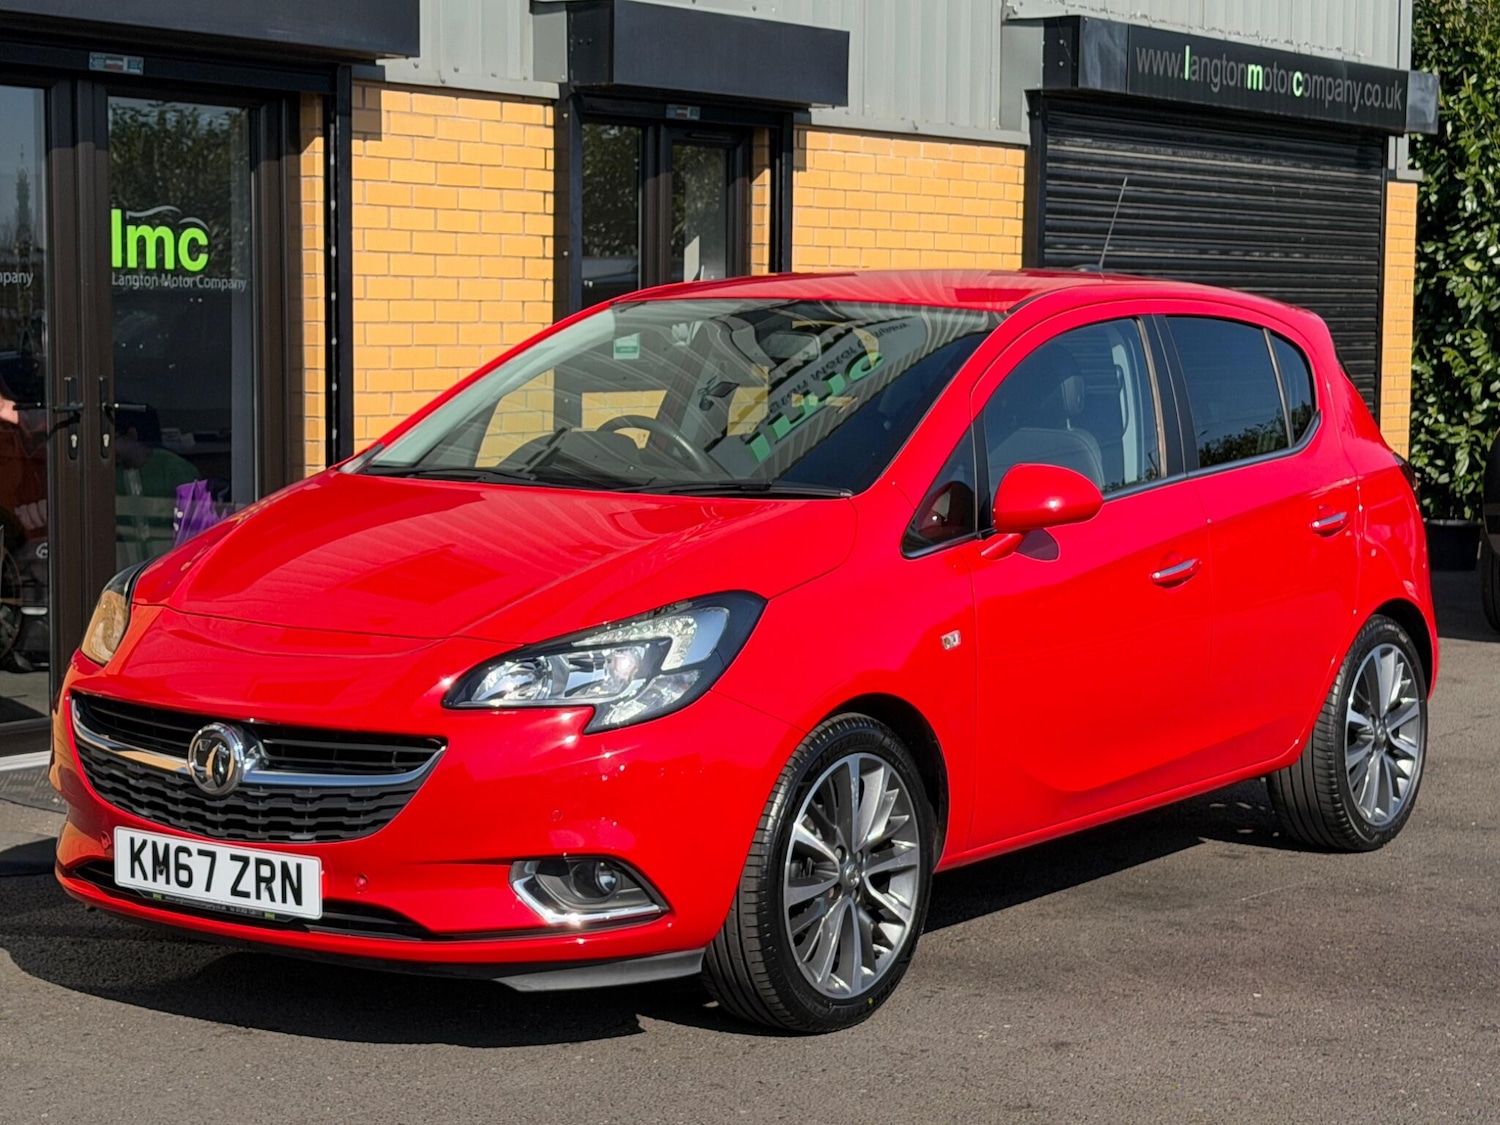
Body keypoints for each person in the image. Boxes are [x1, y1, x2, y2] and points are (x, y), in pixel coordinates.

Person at [115, 404, 199, 566]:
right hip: (126, 574)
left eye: (114, 437)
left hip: (174, 567)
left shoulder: (176, 470)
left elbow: (195, 525)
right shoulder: (108, 475)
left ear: (132, 435)